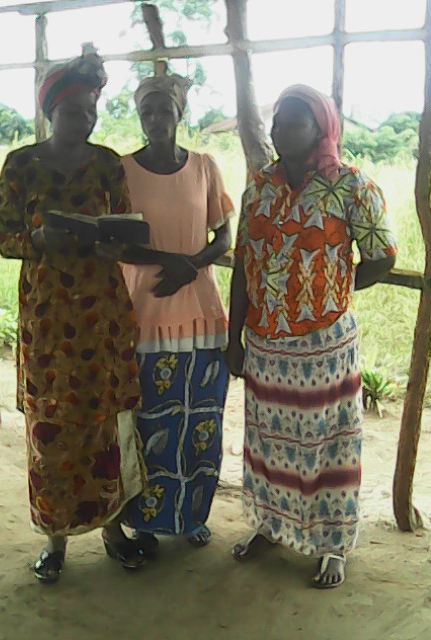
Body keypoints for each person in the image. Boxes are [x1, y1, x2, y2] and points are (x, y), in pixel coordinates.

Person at [226, 84, 397, 588]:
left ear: (320, 128)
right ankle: (271, 526)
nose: (280, 131)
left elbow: (382, 256)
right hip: (266, 346)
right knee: (268, 445)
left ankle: (333, 544)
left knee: (330, 447)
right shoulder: (258, 187)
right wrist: (235, 339)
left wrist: (329, 292)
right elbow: (242, 266)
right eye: (277, 121)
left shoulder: (351, 187)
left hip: (325, 348)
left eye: (293, 122)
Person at [0, 52, 146, 583]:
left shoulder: (107, 164)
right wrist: (35, 239)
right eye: (75, 110)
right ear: (52, 111)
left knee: (104, 425)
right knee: (52, 428)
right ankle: (55, 541)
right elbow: (5, 237)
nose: (85, 120)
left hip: (101, 317)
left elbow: (126, 230)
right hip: (49, 321)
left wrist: (112, 245)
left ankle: (112, 531)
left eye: (91, 111)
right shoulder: (20, 164)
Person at [98, 73, 233, 553]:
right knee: (149, 423)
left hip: (200, 313)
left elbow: (223, 237)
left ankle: (193, 517)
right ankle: (147, 522)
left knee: (200, 421)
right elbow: (112, 242)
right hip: (144, 312)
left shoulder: (204, 167)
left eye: (164, 110)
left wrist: (190, 266)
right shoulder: (122, 170)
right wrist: (165, 262)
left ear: (180, 114)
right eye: (147, 112)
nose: (156, 119)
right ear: (139, 117)